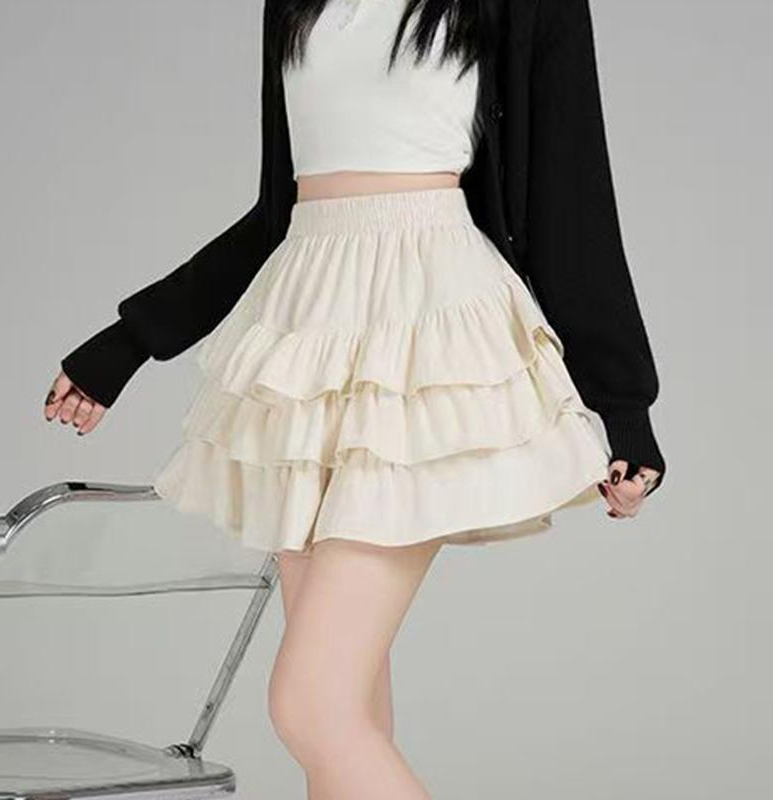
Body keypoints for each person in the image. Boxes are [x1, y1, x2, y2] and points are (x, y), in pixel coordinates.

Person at [44, 1, 667, 795]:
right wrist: (128, 343)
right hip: (308, 330)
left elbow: (569, 201)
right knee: (348, 718)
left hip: (423, 331)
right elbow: (278, 213)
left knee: (313, 707)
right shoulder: (296, 4)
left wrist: (624, 407)